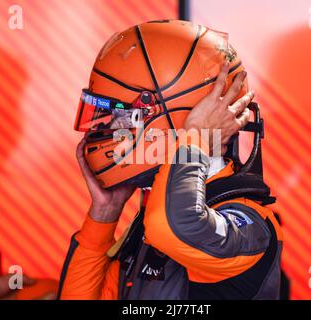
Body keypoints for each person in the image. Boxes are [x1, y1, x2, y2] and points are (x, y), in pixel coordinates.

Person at [58, 20, 283, 300]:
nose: (106, 129)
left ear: (177, 120)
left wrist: (197, 138)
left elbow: (175, 226)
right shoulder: (147, 222)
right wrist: (104, 215)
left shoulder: (251, 224)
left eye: (120, 116)